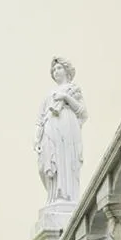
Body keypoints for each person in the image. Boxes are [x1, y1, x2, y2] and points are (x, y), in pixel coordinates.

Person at [35, 57, 88, 204]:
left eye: (59, 68)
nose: (56, 71)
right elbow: (40, 119)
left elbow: (83, 113)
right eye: (54, 70)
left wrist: (65, 97)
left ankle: (67, 196)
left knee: (67, 159)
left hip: (69, 128)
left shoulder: (74, 90)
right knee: (49, 163)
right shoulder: (49, 95)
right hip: (51, 131)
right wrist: (36, 139)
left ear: (66, 70)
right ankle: (54, 197)